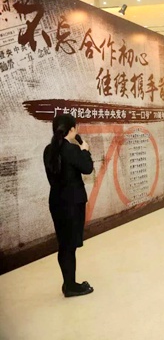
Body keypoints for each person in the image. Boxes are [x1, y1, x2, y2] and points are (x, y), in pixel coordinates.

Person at [43, 114, 94, 298]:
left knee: (64, 244)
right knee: (69, 246)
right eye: (76, 127)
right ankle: (71, 286)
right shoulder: (71, 149)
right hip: (72, 204)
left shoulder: (49, 150)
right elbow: (87, 168)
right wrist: (85, 151)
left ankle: (68, 283)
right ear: (71, 129)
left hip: (57, 202)